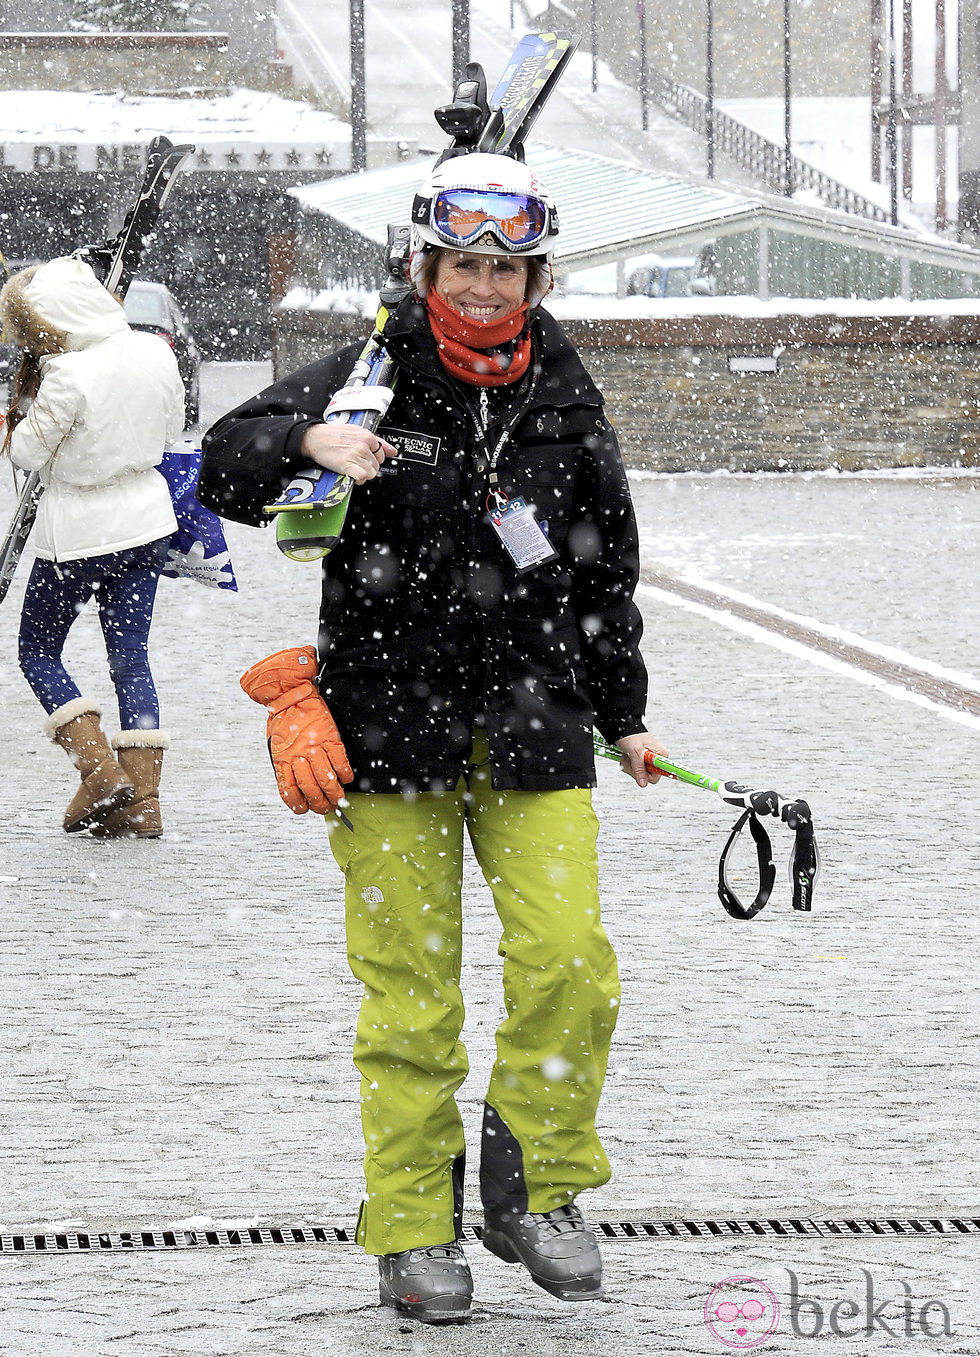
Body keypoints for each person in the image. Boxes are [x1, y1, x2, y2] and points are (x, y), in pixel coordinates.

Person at [199, 152, 668, 1323]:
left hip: (537, 727)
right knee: (409, 1000)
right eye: (463, 262)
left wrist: (627, 713)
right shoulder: (365, 375)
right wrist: (311, 444)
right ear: (425, 264)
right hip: (386, 731)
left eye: (506, 268)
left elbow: (606, 567)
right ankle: (412, 1231)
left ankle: (533, 1190)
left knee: (570, 965)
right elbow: (220, 467)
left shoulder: (564, 398)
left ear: (538, 277)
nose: (482, 288)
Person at [0, 255, 186, 837]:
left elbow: (28, 453)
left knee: (39, 653)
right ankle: (145, 802)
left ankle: (101, 774)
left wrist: (15, 421)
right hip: (148, 523)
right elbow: (173, 424)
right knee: (132, 658)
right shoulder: (155, 351)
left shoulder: (68, 374)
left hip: (80, 536)